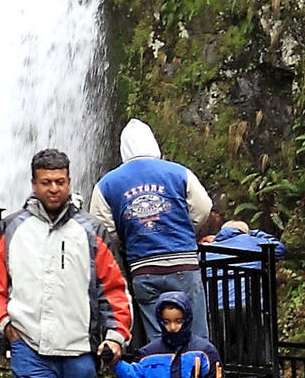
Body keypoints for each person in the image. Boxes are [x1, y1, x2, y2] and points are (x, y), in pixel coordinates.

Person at [0, 147, 131, 378]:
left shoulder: (92, 231)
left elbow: (114, 289)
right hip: (29, 347)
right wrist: (5, 326)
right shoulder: (11, 228)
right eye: (46, 182)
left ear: (69, 182)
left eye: (60, 182)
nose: (54, 189)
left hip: (79, 349)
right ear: (33, 183)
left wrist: (115, 337)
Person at [89, 120, 214, 343]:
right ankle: (198, 372)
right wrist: (185, 228)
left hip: (142, 267)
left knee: (158, 338)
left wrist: (128, 238)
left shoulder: (106, 184)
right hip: (182, 262)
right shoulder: (179, 172)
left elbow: (102, 229)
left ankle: (163, 373)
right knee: (195, 334)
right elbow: (203, 207)